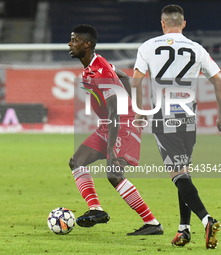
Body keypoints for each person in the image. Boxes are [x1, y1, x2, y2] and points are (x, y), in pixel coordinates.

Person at [131, 5, 221, 249]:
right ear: (183, 23)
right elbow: (219, 83)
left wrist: (141, 111)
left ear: (163, 24)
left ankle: (206, 219)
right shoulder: (197, 49)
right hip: (188, 115)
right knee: (183, 171)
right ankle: (184, 229)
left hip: (163, 113)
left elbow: (136, 82)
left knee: (177, 174)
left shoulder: (148, 46)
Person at [68, 24, 163, 235]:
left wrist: (111, 150)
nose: (69, 43)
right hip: (109, 123)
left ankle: (153, 224)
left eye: (74, 40)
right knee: (77, 162)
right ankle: (96, 210)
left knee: (114, 173)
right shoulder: (96, 64)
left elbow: (114, 113)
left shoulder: (99, 70)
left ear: (87, 44)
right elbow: (125, 77)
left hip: (121, 123)